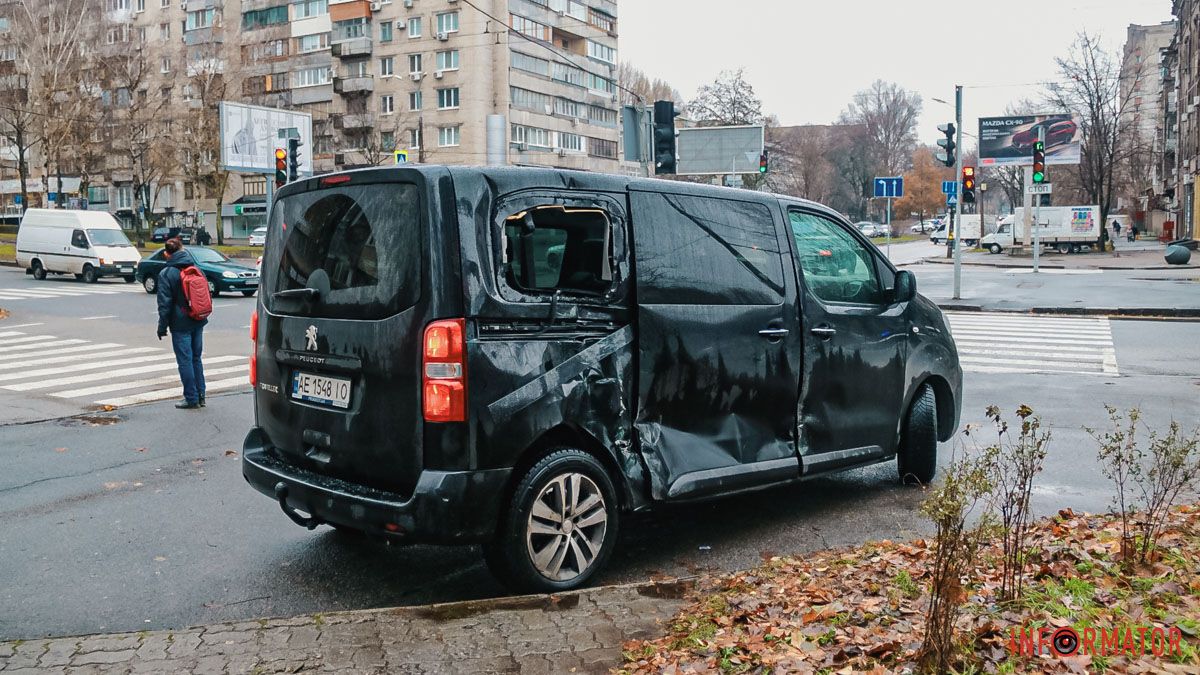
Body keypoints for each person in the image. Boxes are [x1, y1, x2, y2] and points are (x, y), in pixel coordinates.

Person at [156, 238, 208, 410]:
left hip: (180, 324)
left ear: (166, 253)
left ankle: (191, 398)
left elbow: (165, 304)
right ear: (182, 249)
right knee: (196, 358)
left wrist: (162, 327)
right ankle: (201, 395)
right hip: (198, 319)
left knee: (185, 360)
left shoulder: (167, 273)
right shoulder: (195, 268)